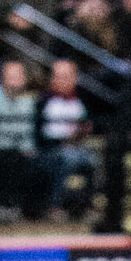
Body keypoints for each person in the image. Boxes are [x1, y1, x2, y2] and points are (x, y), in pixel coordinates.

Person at [0, 54, 45, 215]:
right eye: (10, 76)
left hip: (18, 150)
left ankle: (23, 208)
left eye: (18, 76)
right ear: (3, 78)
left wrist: (28, 148)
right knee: (6, 159)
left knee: (33, 161)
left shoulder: (29, 101)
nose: (14, 80)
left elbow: (26, 132)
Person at [39, 55, 96, 213]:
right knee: (68, 158)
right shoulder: (44, 101)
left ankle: (86, 204)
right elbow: (43, 133)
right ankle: (55, 205)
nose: (64, 81)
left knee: (92, 160)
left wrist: (81, 133)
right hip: (49, 149)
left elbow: (85, 126)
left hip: (75, 146)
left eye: (68, 76)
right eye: (60, 77)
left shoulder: (80, 101)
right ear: (52, 79)